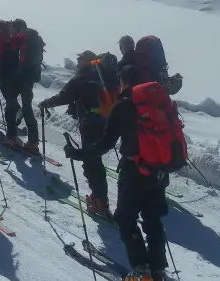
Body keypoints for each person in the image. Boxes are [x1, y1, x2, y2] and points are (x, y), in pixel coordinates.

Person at [64, 65, 172, 281]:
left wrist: (77, 153)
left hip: (133, 171)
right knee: (152, 217)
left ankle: (141, 269)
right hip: (159, 170)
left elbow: (104, 144)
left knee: (125, 217)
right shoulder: (160, 103)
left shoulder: (123, 106)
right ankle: (158, 268)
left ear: (123, 82)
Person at [38, 50, 116, 218]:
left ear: (86, 61)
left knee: (91, 163)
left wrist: (45, 103)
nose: (78, 62)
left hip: (90, 124)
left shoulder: (82, 77)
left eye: (79, 59)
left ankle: (99, 202)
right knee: (95, 160)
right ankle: (100, 199)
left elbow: (64, 97)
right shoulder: (107, 76)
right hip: (108, 122)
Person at [0, 19, 43, 153]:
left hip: (17, 78)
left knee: (11, 106)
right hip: (29, 79)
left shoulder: (19, 39)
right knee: (27, 109)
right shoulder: (35, 39)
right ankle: (33, 142)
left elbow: (8, 56)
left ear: (16, 28)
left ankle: (11, 138)